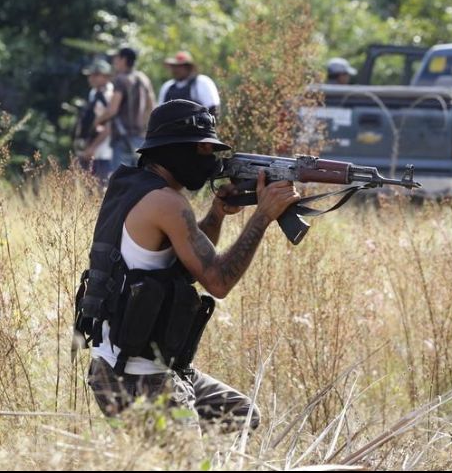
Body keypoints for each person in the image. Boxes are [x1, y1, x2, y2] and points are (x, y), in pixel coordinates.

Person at [78, 99, 301, 434]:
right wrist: (263, 215)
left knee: (241, 417)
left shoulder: (133, 188)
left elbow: (184, 264)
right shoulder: (167, 202)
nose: (211, 159)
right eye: (202, 150)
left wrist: (216, 214)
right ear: (173, 150)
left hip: (133, 367)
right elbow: (218, 282)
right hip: (138, 378)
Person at [94, 47, 156, 169]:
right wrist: (145, 128)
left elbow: (112, 110)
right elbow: (151, 106)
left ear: (123, 59)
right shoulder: (143, 79)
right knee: (140, 176)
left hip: (122, 138)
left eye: (116, 58)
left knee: (122, 179)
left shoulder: (121, 79)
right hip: (140, 138)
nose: (114, 61)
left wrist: (97, 121)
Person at [75, 60, 114, 183]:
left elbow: (109, 126)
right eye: (91, 75)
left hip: (105, 151)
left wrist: (92, 147)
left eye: (96, 75)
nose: (91, 78)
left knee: (101, 187)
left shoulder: (110, 95)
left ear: (106, 76)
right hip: (91, 148)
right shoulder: (94, 93)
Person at [158, 51, 221, 115]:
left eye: (180, 66)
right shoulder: (167, 87)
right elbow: (159, 113)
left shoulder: (201, 82)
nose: (176, 69)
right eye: (174, 66)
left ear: (188, 67)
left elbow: (213, 108)